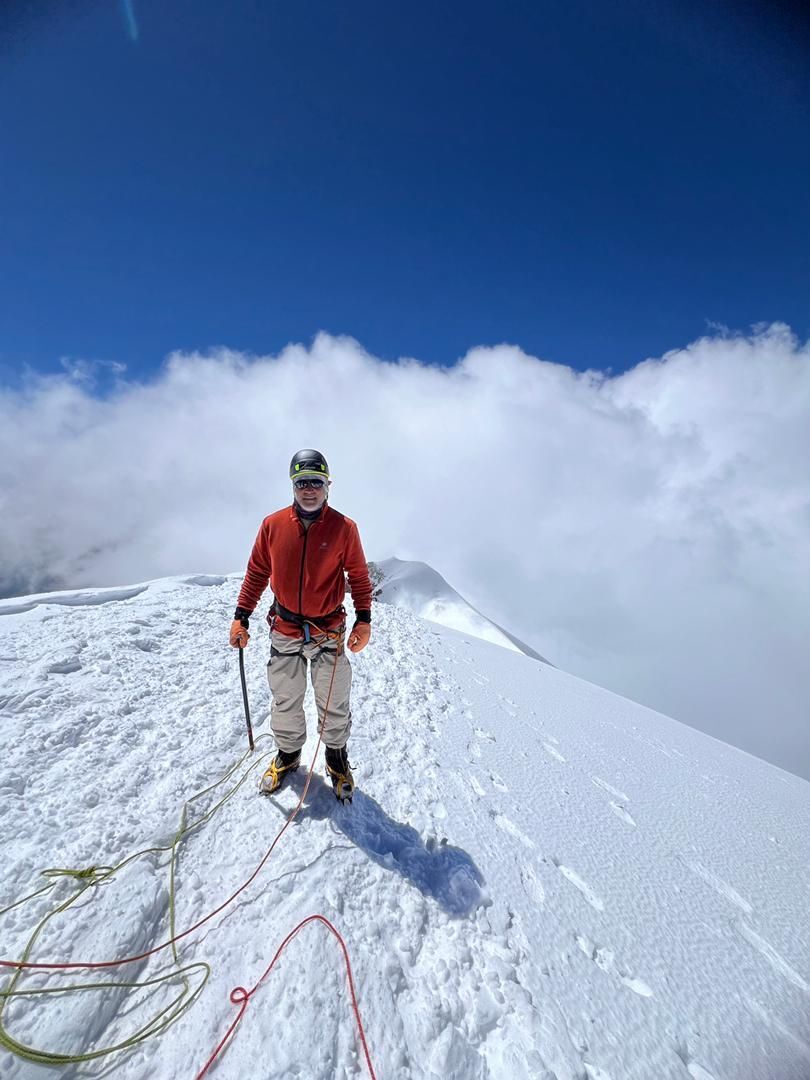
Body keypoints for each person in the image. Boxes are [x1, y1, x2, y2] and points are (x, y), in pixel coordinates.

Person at [229, 450, 372, 802]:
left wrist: (364, 620)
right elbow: (257, 574)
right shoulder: (273, 525)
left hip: (328, 630)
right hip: (286, 629)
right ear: (293, 485)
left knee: (333, 700)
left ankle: (336, 757)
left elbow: (359, 576)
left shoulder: (344, 528)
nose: (309, 489)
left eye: (316, 482)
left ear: (328, 486)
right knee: (286, 699)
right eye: (302, 482)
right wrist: (241, 615)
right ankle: (289, 755)